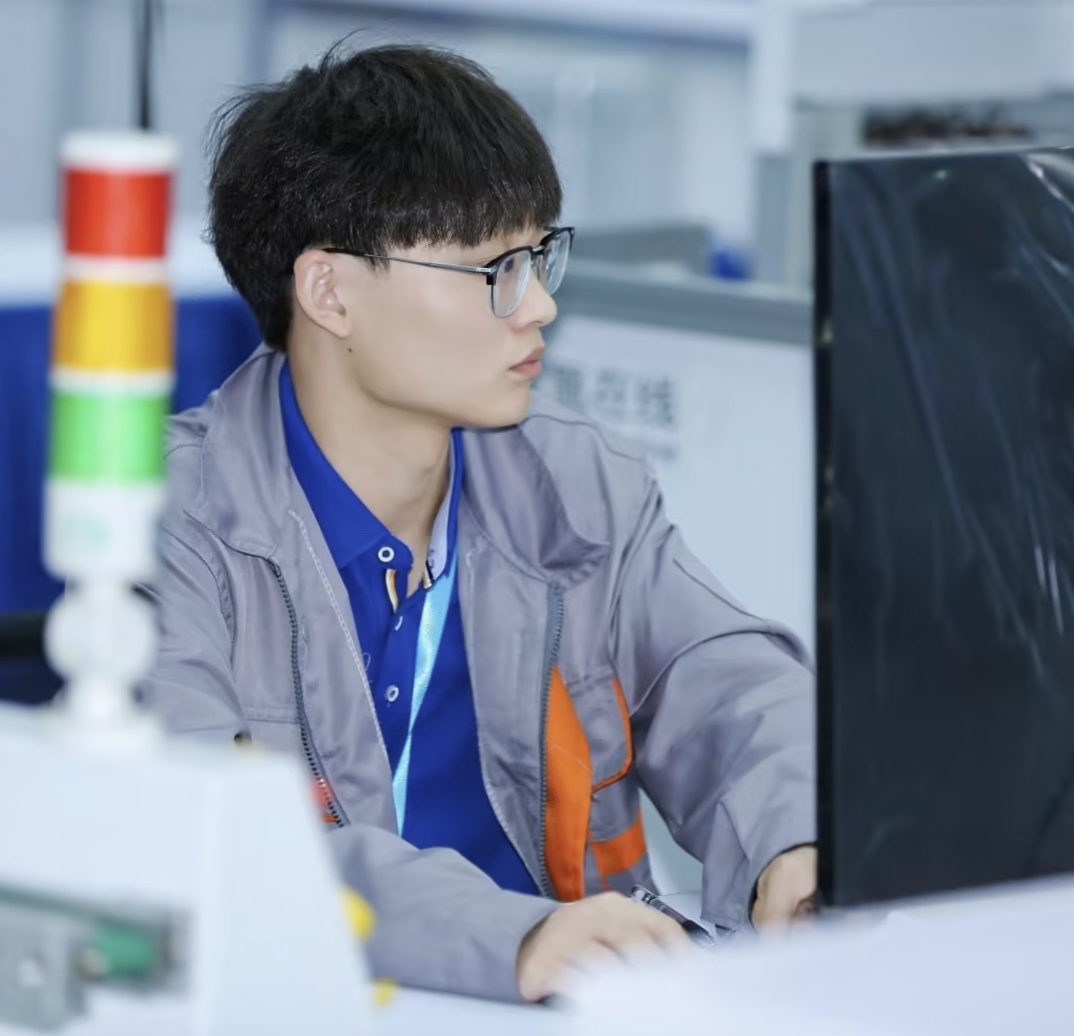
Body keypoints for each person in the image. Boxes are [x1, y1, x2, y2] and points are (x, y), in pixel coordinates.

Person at [142, 43, 818, 1003]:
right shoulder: (175, 523)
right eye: (494, 268)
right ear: (330, 292)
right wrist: (517, 937)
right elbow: (205, 830)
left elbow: (726, 686)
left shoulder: (572, 482)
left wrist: (797, 842)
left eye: (539, 256)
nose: (538, 304)